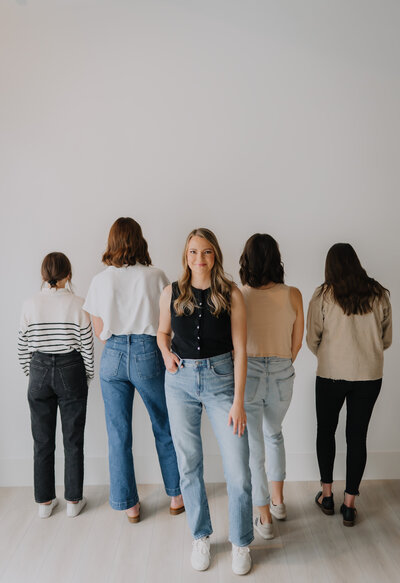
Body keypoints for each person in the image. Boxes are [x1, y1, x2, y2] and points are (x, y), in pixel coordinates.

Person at [157, 227, 253, 576]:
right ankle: (201, 536)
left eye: (207, 252)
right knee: (189, 464)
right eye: (194, 252)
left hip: (222, 380)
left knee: (238, 470)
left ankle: (241, 542)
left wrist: (238, 400)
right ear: (186, 255)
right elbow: (162, 333)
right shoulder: (171, 292)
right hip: (179, 382)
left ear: (216, 256)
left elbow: (241, 350)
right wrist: (165, 353)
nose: (200, 259)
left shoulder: (231, 294)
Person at [83, 217, 183, 521]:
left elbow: (98, 327)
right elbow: (170, 318)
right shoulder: (155, 275)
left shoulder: (101, 280)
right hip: (148, 350)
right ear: (139, 240)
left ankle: (130, 505)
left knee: (118, 434)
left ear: (112, 242)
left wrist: (116, 345)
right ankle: (177, 497)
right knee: (164, 425)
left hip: (112, 354)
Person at [307, 243, 392, 526]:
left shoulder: (323, 295)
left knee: (326, 432)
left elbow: (312, 339)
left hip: (331, 374)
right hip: (369, 376)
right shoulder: (379, 294)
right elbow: (386, 339)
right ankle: (350, 505)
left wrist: (331, 355)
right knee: (357, 437)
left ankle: (327, 495)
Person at [18, 252, 94, 518]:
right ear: (68, 275)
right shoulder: (79, 303)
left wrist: (32, 373)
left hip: (38, 371)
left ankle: (44, 503)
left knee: (42, 440)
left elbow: (22, 346)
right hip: (70, 368)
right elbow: (87, 346)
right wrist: (88, 376)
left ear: (43, 275)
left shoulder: (30, 303)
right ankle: (73, 501)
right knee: (73, 439)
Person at [239, 234, 303, 539]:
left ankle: (263, 517)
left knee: (254, 448)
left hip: (248, 371)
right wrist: (279, 362)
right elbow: (296, 344)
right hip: (281, 371)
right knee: (274, 434)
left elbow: (233, 343)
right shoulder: (293, 294)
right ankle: (278, 503)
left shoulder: (239, 295)